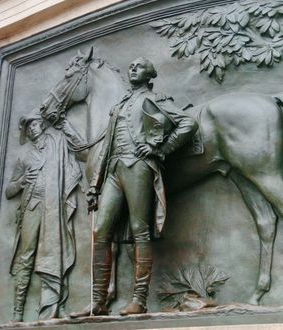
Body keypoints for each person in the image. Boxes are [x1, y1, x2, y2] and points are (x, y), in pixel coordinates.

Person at [70, 57, 198, 317]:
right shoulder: (118, 106)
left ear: (149, 74)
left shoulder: (155, 99)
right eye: (131, 65)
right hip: (115, 171)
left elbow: (188, 123)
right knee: (100, 231)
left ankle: (139, 300)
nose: (132, 68)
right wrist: (95, 184)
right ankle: (98, 302)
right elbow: (106, 148)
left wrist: (160, 149)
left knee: (141, 230)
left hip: (139, 166)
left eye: (138, 66)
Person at [6, 110, 83, 321]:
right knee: (26, 256)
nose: (32, 128)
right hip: (32, 207)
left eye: (34, 124)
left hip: (53, 207)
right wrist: (22, 182)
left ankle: (52, 306)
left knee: (54, 252)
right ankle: (17, 312)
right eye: (28, 127)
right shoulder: (23, 156)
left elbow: (80, 148)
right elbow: (9, 191)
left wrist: (65, 125)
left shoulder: (57, 144)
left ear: (42, 125)